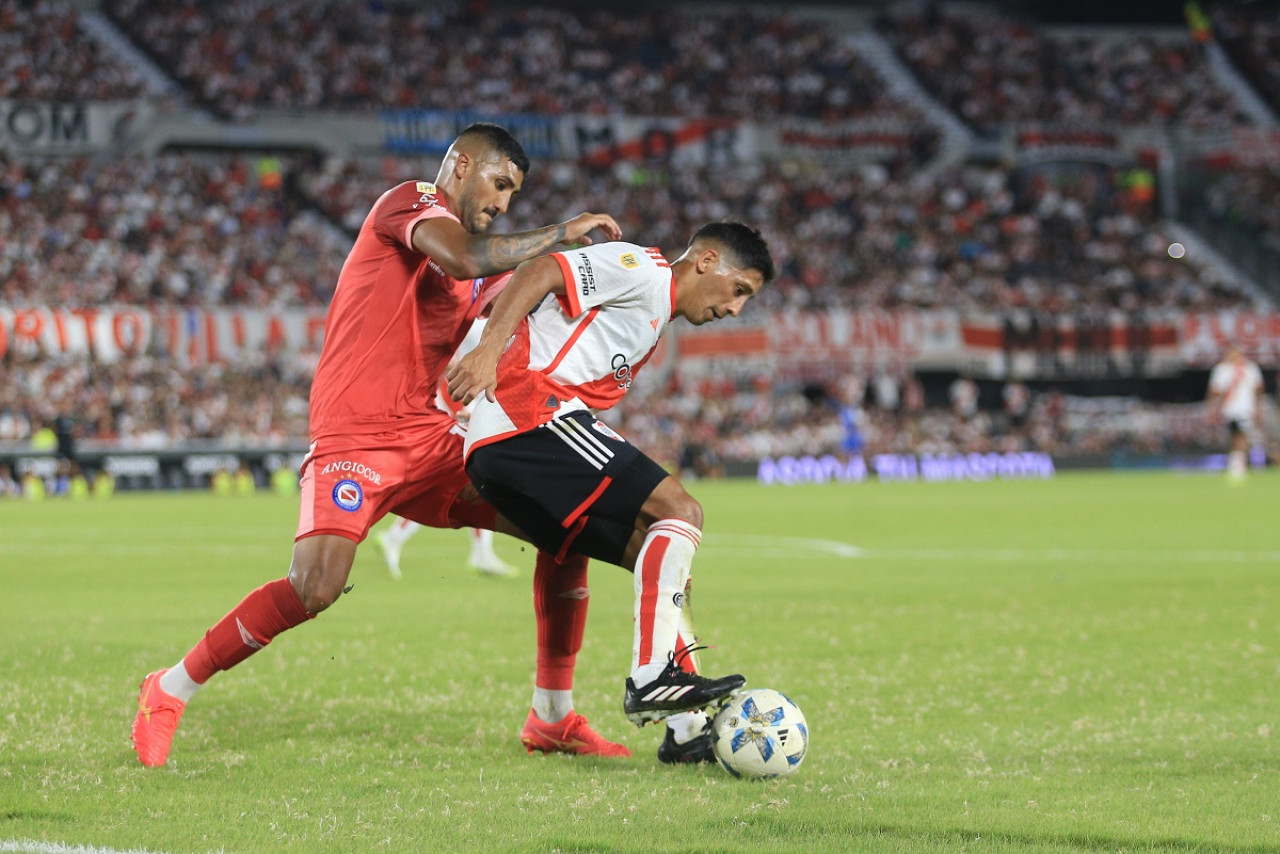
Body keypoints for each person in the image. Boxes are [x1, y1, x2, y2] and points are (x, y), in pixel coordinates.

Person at [131, 122, 627, 767]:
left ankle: (552, 717)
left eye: (513, 195)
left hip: (432, 438)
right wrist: (561, 233)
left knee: (564, 523)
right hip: (355, 433)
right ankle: (167, 690)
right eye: (499, 184)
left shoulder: (484, 268)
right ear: (462, 164)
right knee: (315, 587)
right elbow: (465, 258)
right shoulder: (410, 203)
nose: (504, 203)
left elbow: (520, 288)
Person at [447, 221, 776, 762]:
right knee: (681, 510)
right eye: (740, 289)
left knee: (658, 555)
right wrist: (487, 351)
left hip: (512, 442)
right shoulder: (644, 272)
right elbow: (542, 269)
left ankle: (688, 730)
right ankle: (651, 679)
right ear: (707, 261)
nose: (736, 308)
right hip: (523, 414)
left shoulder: (651, 319)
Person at [375, 319, 518, 580]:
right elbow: (450, 362)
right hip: (458, 407)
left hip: (468, 403)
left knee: (468, 483)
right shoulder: (473, 322)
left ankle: (480, 552)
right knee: (462, 483)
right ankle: (396, 537)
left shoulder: (491, 318)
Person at [1205, 345, 1264, 481]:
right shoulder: (1222, 370)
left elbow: (1258, 389)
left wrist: (1258, 408)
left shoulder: (1249, 368)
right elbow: (1215, 391)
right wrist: (1211, 408)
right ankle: (1237, 462)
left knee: (1241, 435)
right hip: (1228, 409)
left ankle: (1237, 466)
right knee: (1233, 436)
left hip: (1245, 408)